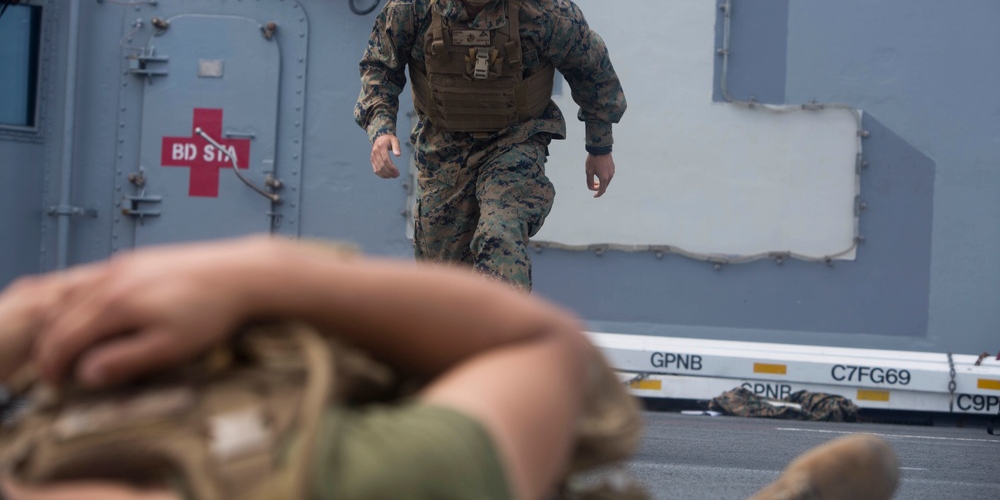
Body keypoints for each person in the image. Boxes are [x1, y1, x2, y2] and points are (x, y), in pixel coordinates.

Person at [0, 236, 900, 500]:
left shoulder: (535, 9)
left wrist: (597, 134)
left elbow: (590, 73)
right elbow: (538, 346)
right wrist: (252, 274)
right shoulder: (307, 473)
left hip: (500, 155)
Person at [354, 0, 628, 290]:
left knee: (501, 235)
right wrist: (380, 129)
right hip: (442, 150)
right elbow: (380, 64)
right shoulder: (416, 2)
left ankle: (507, 338)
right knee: (441, 284)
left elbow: (592, 68)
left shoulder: (542, 9)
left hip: (514, 142)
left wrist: (599, 146)